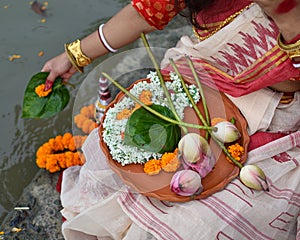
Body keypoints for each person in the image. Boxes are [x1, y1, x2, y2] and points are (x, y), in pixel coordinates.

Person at [41, 0, 300, 239]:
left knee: (202, 222)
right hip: (200, 74)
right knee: (112, 159)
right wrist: (74, 56)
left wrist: (285, 14)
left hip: (274, 110)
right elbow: (145, 12)